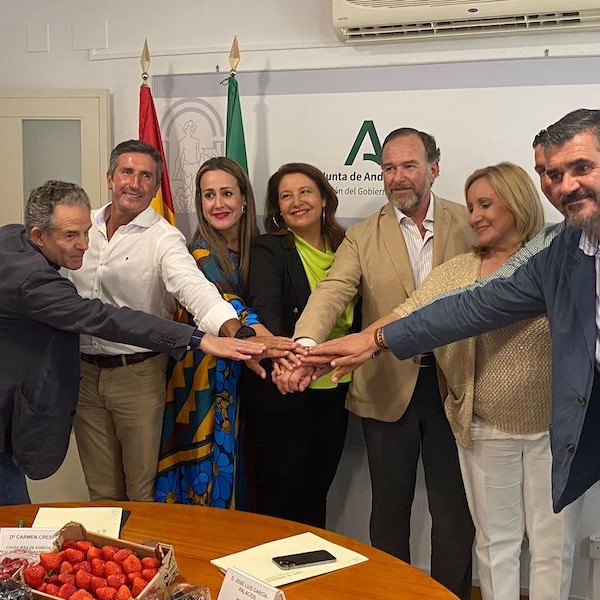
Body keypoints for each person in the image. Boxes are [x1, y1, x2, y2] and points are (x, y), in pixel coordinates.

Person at [308, 107, 600, 515]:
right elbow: (469, 306)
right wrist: (371, 339)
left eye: (582, 167)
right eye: (553, 173)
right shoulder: (566, 249)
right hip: (429, 404)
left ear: (433, 168)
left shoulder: (526, 238)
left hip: (524, 417)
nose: (566, 185)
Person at [289, 128, 475, 599]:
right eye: (388, 168)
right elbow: (333, 290)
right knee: (389, 511)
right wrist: (306, 344)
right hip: (386, 387)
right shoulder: (361, 235)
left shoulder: (470, 221)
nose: (397, 177)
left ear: (434, 168)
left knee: (454, 513)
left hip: (457, 386)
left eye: (409, 165)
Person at [0, 180, 265, 506]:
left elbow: (191, 286)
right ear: (38, 235)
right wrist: (198, 338)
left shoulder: (11, 238)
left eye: (86, 232)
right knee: (13, 523)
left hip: (135, 377)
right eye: (70, 236)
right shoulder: (33, 281)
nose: (84, 244)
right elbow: (106, 319)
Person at [391, 163, 581, 599]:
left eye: (485, 204)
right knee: (496, 545)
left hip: (557, 434)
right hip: (484, 430)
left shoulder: (558, 262)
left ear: (516, 204)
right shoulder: (456, 272)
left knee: (554, 547)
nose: (474, 216)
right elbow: (406, 317)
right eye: (471, 206)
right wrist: (349, 346)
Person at [69, 141, 293, 502]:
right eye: (127, 172)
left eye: (146, 176)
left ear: (156, 187)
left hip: (138, 374)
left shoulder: (164, 238)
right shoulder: (81, 227)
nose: (135, 183)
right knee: (102, 490)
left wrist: (239, 334)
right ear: (110, 178)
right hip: (82, 374)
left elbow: (197, 291)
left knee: (143, 492)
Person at [154, 156, 272, 508]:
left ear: (244, 198)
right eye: (209, 195)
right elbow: (230, 306)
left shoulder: (259, 249)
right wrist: (272, 342)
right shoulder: (197, 254)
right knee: (212, 479)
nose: (218, 203)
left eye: (226, 193)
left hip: (248, 377)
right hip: (205, 382)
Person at [243, 162, 355, 527]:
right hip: (286, 385)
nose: (296, 202)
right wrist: (289, 364)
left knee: (318, 489)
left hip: (336, 384)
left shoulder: (348, 245)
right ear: (277, 207)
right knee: (282, 493)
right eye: (285, 196)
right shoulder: (269, 248)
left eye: (305, 192)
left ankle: (311, 560)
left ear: (324, 198)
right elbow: (268, 313)